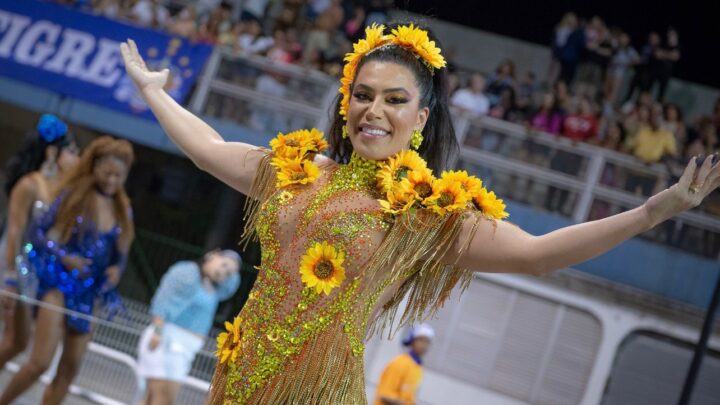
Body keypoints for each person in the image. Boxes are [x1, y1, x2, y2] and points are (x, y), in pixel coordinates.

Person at [120, 21, 720, 404]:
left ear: (421, 120)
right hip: (237, 377)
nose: (373, 109)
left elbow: (538, 254)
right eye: (362, 94)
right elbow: (207, 150)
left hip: (317, 392)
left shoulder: (426, 214)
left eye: (394, 99)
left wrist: (650, 212)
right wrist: (153, 92)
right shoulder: (295, 169)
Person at [0, 136, 135, 405]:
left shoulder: (123, 209)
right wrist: (65, 257)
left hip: (90, 293)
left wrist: (116, 271)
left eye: (118, 176)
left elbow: (121, 253)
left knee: (69, 369)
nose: (111, 180)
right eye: (107, 173)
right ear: (94, 167)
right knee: (39, 361)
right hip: (58, 285)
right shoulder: (73, 194)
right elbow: (37, 233)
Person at [0, 115, 80, 373]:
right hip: (11, 264)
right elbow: (14, 231)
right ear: (51, 152)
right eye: (71, 151)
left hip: (31, 269)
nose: (76, 156)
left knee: (18, 341)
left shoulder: (60, 189)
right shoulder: (29, 184)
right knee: (15, 339)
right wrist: (10, 278)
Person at [136, 250, 241, 405]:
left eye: (229, 273)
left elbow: (232, 286)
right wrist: (158, 332)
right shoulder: (187, 272)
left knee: (152, 399)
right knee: (164, 399)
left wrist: (232, 266)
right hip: (165, 341)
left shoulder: (215, 288)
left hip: (185, 349)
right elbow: (162, 301)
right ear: (213, 255)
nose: (223, 272)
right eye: (224, 265)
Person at [373, 324, 434, 405]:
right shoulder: (400, 363)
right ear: (412, 341)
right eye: (421, 340)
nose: (424, 345)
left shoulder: (418, 368)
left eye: (427, 341)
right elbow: (384, 395)